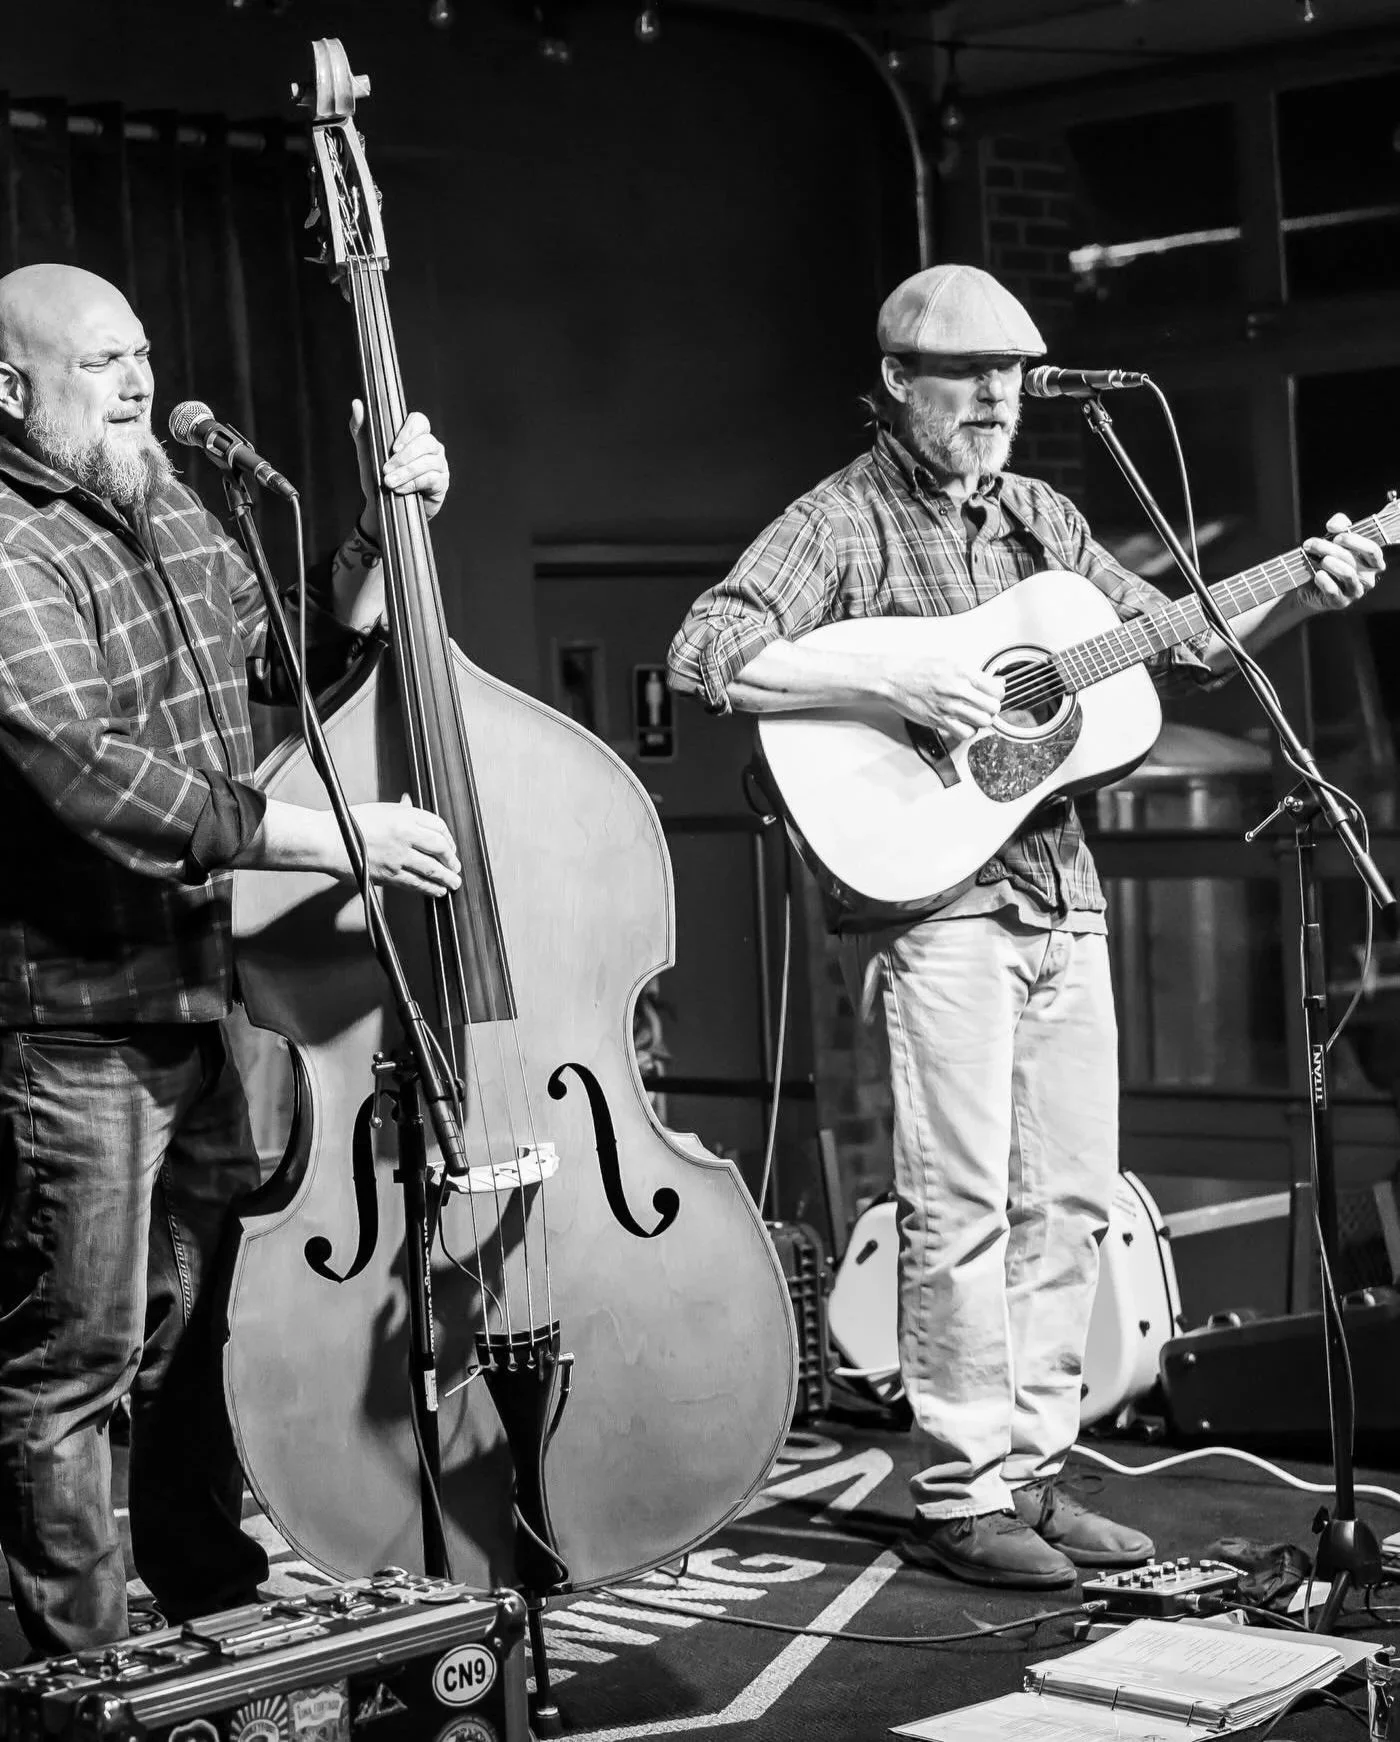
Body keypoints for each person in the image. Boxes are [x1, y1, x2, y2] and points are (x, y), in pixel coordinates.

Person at [668, 263, 1383, 1591]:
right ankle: (960, 1487)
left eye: (1012, 372)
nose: (996, 396)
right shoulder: (838, 520)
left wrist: (1300, 589)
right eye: (967, 374)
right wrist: (904, 667)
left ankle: (1035, 1473)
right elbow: (709, 652)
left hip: (1063, 894)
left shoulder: (1046, 515)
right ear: (897, 382)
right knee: (961, 1209)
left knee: (1067, 1200)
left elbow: (1175, 642)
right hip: (934, 903)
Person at [0, 263, 463, 1657]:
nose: (135, 381)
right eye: (97, 363)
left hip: (219, 999)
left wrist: (376, 559)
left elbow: (279, 675)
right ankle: (80, 1673)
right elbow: (87, 771)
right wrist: (325, 837)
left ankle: (202, 1591)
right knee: (72, 1363)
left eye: (140, 350)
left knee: (194, 1330)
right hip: (80, 1018)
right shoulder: (12, 542)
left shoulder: (168, 496)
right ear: (12, 390)